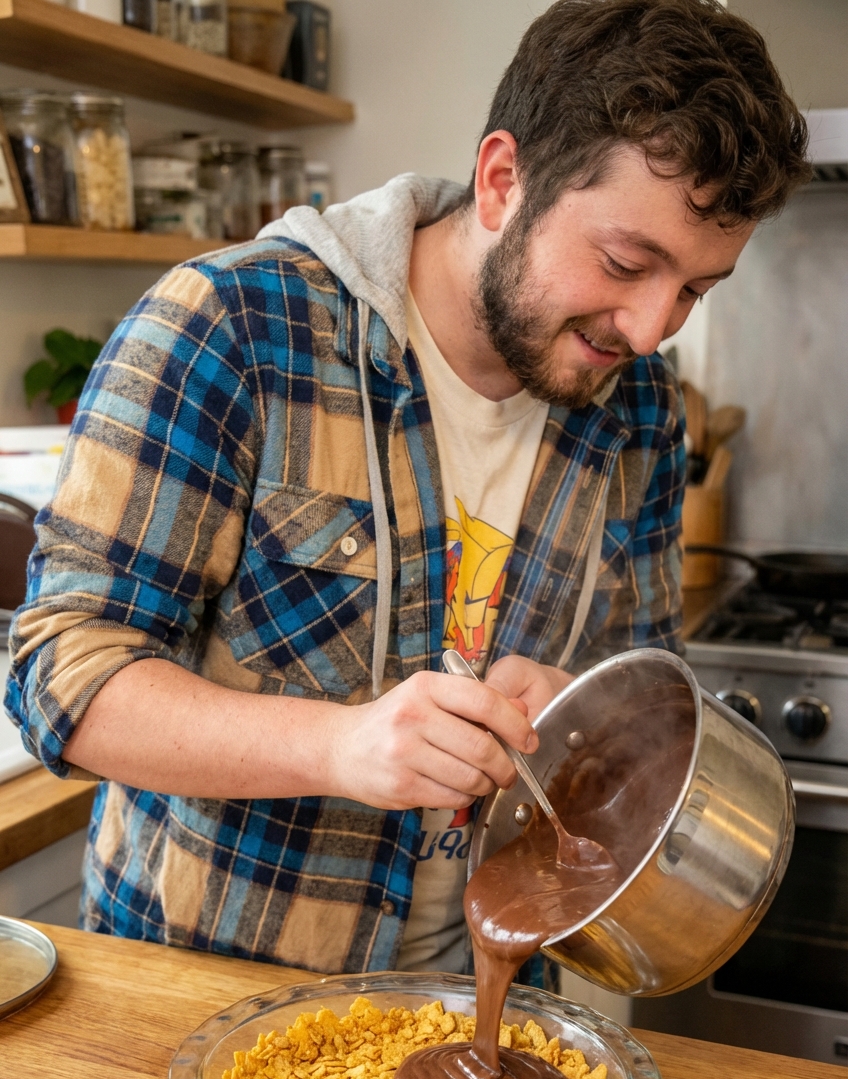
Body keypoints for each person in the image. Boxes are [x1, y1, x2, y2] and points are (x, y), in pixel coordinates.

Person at [6, 0, 808, 977]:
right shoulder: (232, 327)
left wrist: (579, 715)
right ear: (503, 180)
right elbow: (60, 673)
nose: (648, 329)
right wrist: (337, 747)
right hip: (208, 1001)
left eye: (692, 289)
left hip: (482, 999)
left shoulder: (635, 407)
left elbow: (635, 694)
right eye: (624, 263)